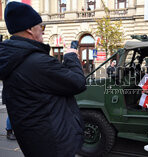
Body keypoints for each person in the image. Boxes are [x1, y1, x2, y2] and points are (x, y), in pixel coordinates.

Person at [0, 2, 86, 157]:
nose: (43, 32)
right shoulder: (37, 62)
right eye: (42, 27)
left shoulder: (12, 58)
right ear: (30, 29)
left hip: (35, 141)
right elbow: (78, 83)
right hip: (54, 145)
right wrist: (71, 57)